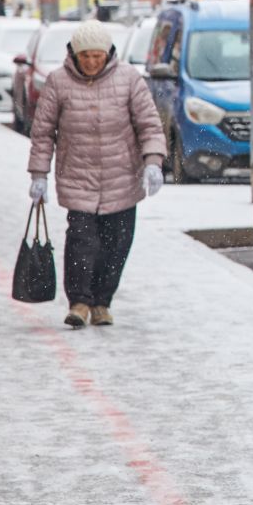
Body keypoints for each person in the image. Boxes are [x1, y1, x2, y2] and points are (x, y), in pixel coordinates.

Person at [27, 19, 165, 329]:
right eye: (86, 56)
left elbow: (149, 125)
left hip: (122, 178)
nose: (91, 62)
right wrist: (39, 174)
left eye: (97, 56)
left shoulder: (129, 79)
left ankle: (103, 302)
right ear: (74, 55)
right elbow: (43, 132)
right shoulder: (58, 82)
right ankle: (79, 302)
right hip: (78, 177)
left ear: (108, 54)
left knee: (116, 244)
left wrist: (153, 161)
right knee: (81, 241)